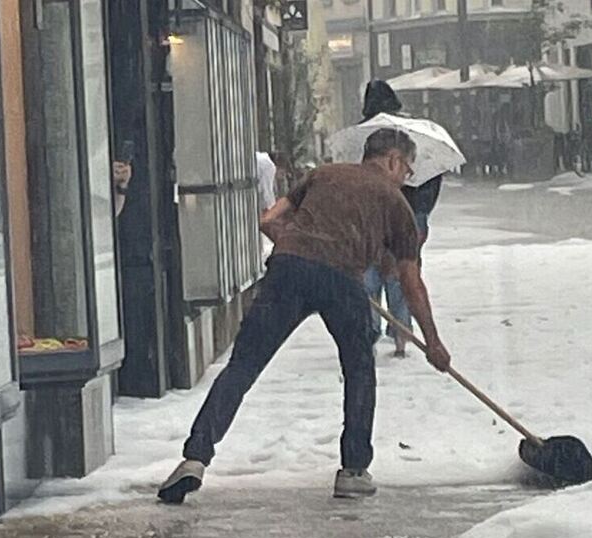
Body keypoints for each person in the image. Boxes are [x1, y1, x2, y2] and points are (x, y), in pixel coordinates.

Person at [157, 128, 452, 505]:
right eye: (407, 170)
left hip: (288, 270)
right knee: (359, 370)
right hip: (343, 281)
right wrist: (433, 343)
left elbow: (269, 219)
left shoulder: (323, 174)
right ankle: (353, 470)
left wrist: (300, 248)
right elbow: (411, 283)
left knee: (243, 366)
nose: (405, 178)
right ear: (394, 160)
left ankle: (195, 458)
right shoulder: (396, 203)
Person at [359, 80, 444, 358]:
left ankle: (368, 333)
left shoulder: (368, 139)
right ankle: (400, 336)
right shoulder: (414, 135)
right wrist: (421, 214)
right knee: (403, 275)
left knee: (370, 275)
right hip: (410, 213)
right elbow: (432, 180)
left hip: (375, 217)